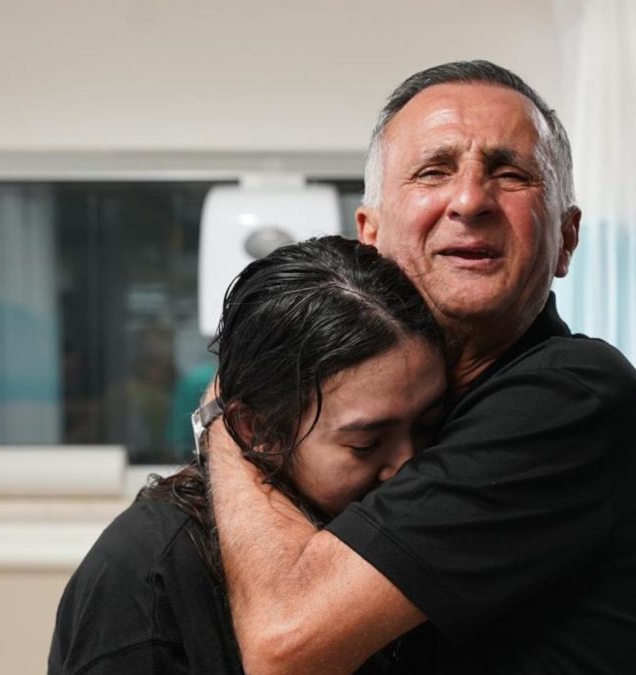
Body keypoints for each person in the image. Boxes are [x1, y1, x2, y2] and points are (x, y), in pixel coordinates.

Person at [204, 61, 636, 674]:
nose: (470, 200)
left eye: (510, 173)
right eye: (433, 171)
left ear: (567, 240)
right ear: (371, 234)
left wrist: (223, 423)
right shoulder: (406, 411)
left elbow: (287, 645)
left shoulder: (570, 396)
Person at [47, 236, 448, 674]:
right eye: (365, 444)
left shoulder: (418, 524)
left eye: (429, 426)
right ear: (257, 430)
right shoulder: (146, 574)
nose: (408, 465)